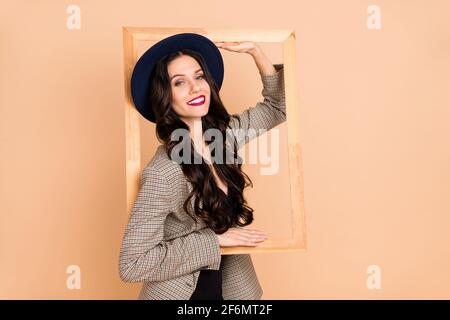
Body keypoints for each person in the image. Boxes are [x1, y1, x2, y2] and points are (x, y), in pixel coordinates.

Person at [119, 33, 286, 300]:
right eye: (180, 82)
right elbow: (132, 264)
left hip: (231, 292)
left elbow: (279, 107)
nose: (196, 88)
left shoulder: (225, 136)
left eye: (199, 77)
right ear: (165, 96)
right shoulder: (163, 171)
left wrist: (256, 51)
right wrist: (215, 239)